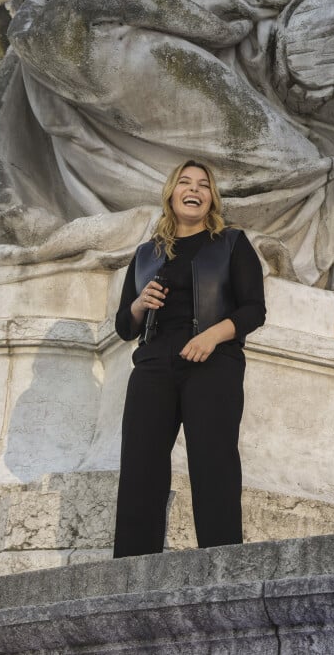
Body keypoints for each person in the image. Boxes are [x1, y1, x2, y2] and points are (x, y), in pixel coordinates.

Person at [113, 159, 266, 557]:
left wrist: (212, 336)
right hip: (153, 364)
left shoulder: (232, 243)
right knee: (139, 470)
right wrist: (138, 305)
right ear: (171, 193)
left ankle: (220, 568)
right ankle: (131, 571)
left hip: (212, 363)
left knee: (213, 466)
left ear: (211, 198)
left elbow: (254, 310)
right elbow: (123, 327)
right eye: (185, 182)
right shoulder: (147, 254)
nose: (194, 188)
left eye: (203, 184)